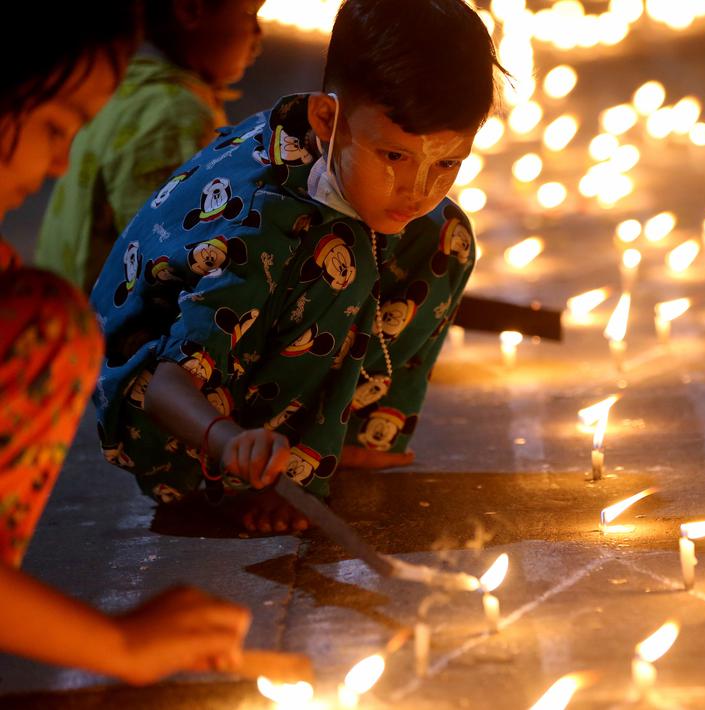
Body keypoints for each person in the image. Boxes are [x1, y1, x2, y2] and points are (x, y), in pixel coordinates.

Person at [90, 0, 504, 535]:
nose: (418, 189)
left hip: (226, 387)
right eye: (395, 157)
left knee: (445, 232)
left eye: (447, 163)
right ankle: (256, 483)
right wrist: (231, 443)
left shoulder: (330, 160)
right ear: (326, 119)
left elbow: (422, 210)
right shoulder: (263, 223)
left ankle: (353, 440)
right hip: (168, 424)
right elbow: (169, 386)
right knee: (338, 257)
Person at [0, 4, 250, 683]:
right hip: (107, 345)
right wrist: (118, 646)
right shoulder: (32, 323)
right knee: (51, 329)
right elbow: (169, 270)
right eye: (54, 126)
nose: (60, 162)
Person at [36, 0, 264, 289]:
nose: (259, 34)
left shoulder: (128, 88)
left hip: (65, 309)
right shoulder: (176, 113)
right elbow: (166, 254)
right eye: (250, 14)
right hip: (107, 326)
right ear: (191, 9)